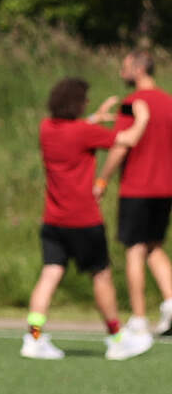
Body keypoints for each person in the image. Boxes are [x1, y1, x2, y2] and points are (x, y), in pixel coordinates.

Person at [22, 77, 135, 360]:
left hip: (53, 221)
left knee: (49, 274)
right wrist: (142, 117)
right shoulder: (84, 132)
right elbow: (127, 140)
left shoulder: (46, 128)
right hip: (84, 221)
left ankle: (33, 337)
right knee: (101, 276)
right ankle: (117, 339)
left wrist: (96, 116)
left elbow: (78, 129)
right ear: (76, 104)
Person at [95, 49, 172, 352]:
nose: (120, 73)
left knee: (134, 250)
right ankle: (169, 304)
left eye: (124, 67)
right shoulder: (168, 101)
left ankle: (139, 318)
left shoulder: (131, 103)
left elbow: (120, 145)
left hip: (138, 186)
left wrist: (102, 179)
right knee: (154, 246)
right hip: (165, 187)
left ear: (139, 69)